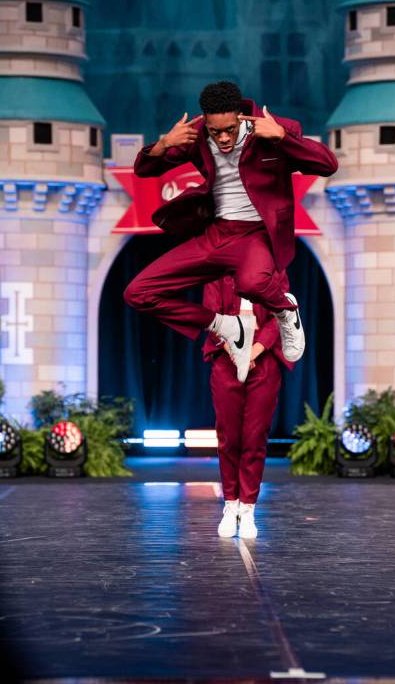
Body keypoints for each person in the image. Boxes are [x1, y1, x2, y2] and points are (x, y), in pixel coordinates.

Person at [124, 81, 338, 382]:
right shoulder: (196, 136)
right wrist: (163, 144)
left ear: (240, 118)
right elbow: (144, 170)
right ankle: (224, 326)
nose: (223, 138)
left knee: (251, 283)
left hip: (257, 235)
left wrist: (281, 138)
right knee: (138, 293)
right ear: (206, 123)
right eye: (216, 131)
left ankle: (286, 309)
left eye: (230, 130)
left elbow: (328, 165)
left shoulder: (273, 129)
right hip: (217, 234)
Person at [202, 273, 294, 539]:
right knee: (229, 436)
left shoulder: (274, 270)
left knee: (255, 437)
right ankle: (231, 505)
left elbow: (282, 314)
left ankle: (248, 508)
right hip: (226, 359)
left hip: (262, 361)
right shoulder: (216, 270)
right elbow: (211, 315)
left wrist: (252, 353)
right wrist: (236, 352)